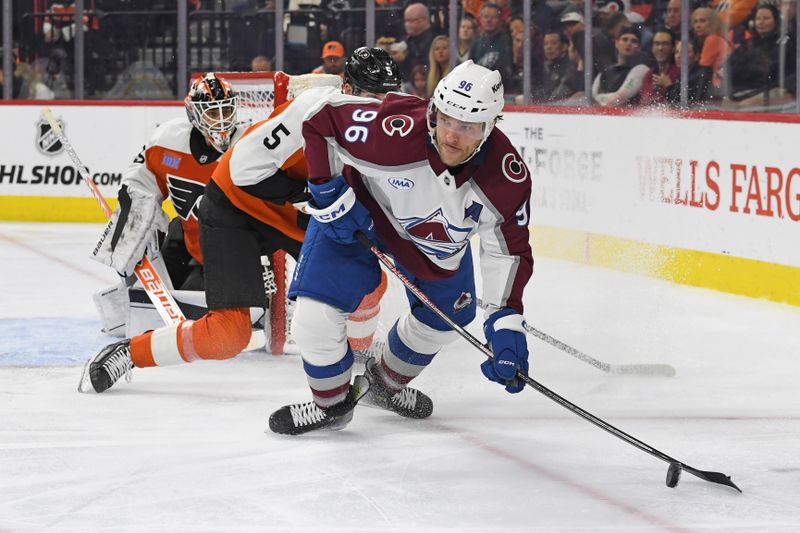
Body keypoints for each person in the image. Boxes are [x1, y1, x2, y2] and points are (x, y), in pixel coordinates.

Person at [79, 49, 403, 394]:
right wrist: (319, 196)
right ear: (348, 90)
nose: (380, 107)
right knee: (228, 336)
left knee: (368, 281)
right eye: (371, 97)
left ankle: (360, 359)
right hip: (232, 207)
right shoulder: (310, 113)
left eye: (387, 96)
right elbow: (244, 172)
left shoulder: (389, 125)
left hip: (287, 211)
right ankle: (130, 354)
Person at [268, 60, 533, 435]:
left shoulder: (506, 179)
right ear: (433, 113)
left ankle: (383, 386)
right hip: (357, 215)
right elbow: (320, 119)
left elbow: (508, 251)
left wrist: (506, 319)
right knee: (313, 320)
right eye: (446, 120)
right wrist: (328, 193)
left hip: (430, 246)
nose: (452, 136)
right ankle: (332, 405)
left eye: (468, 127)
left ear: (490, 127)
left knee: (446, 318)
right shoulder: (392, 127)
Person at [592, 26, 650, 107]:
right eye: (625, 39)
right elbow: (591, 97)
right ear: (616, 43)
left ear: (639, 47)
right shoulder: (605, 71)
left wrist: (598, 99)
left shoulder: (641, 69)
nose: (629, 43)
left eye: (634, 41)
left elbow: (618, 98)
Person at [469, 3, 513, 89]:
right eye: (486, 17)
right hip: (478, 89)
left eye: (493, 17)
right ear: (480, 19)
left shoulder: (507, 41)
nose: (489, 20)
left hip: (502, 91)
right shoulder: (476, 42)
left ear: (500, 20)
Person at [639, 27, 680, 107]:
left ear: (673, 48)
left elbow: (682, 105)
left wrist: (669, 86)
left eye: (665, 44)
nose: (660, 48)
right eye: (657, 44)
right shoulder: (648, 75)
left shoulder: (680, 73)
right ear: (651, 48)